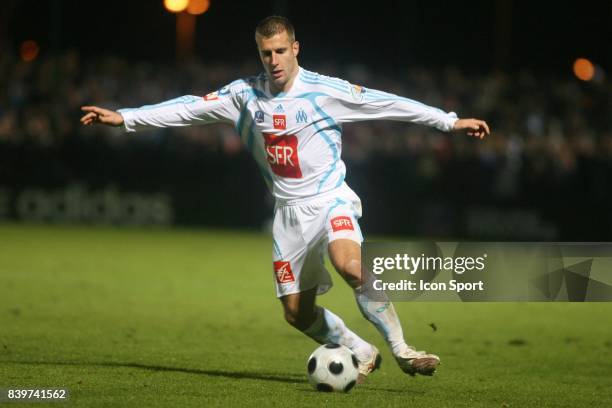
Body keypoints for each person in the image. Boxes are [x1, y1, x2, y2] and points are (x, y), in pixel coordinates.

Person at [80, 15, 490, 382]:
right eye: (265, 53)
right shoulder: (245, 96)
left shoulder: (325, 91)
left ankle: (403, 349)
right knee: (296, 314)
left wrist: (449, 121)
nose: (273, 60)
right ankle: (361, 349)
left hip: (331, 200)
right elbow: (189, 108)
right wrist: (126, 118)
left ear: (295, 49)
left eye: (280, 50)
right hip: (289, 216)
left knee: (350, 265)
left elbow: (388, 103)